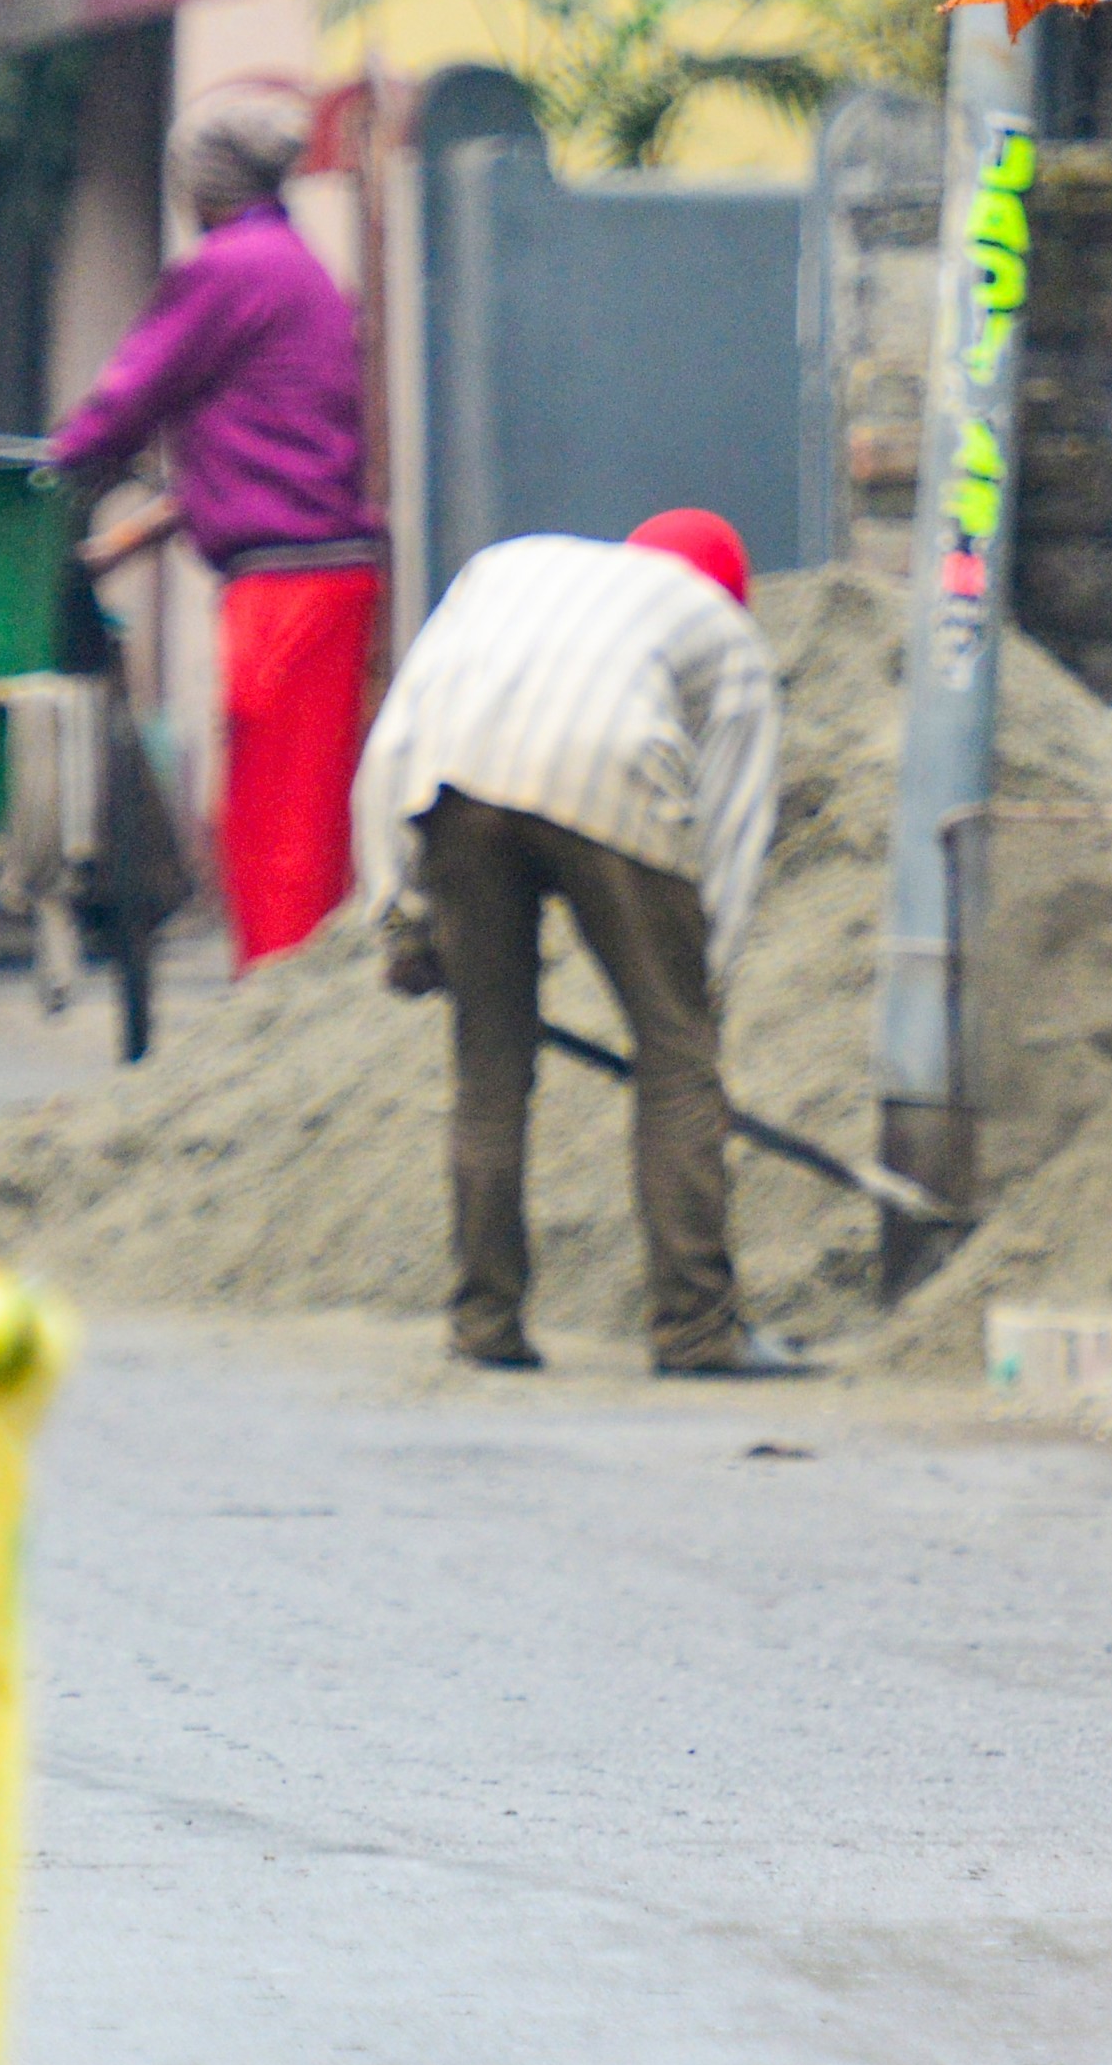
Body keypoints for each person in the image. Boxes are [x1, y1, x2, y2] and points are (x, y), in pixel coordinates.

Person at [352, 508, 802, 1377]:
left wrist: (399, 916)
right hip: (614, 768)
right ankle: (696, 1330)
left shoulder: (507, 566)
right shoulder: (729, 636)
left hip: (454, 778)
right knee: (674, 1063)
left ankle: (483, 1321)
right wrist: (700, 996)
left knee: (489, 1065)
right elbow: (735, 832)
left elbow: (397, 732)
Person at [50, 89, 382, 967]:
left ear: (199, 185)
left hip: (291, 585)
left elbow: (129, 398)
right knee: (286, 809)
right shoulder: (290, 264)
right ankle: (280, 990)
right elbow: (263, 437)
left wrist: (62, 463)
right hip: (314, 577)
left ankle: (282, 1003)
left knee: (278, 822)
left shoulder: (226, 270)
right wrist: (138, 530)